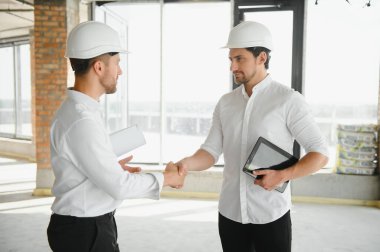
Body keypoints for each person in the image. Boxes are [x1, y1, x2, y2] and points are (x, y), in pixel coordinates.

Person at [173, 21, 329, 252]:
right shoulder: (226, 103)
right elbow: (210, 151)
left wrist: (283, 175)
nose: (232, 67)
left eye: (240, 59)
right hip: (230, 213)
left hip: (271, 215)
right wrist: (186, 163)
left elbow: (320, 153)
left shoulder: (288, 100)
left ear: (262, 58)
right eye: (231, 59)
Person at [47, 21, 185, 252]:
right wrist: (167, 178)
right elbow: (119, 187)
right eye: (117, 63)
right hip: (85, 231)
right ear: (99, 67)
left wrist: (108, 165)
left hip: (83, 227)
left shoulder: (79, 110)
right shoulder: (83, 120)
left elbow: (82, 164)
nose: (120, 71)